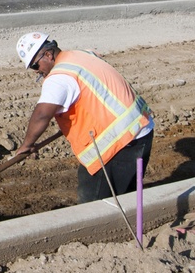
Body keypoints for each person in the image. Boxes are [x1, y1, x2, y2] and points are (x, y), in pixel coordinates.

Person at [14, 31, 154, 203]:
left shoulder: (59, 78)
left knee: (94, 203)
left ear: (48, 54)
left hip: (120, 143)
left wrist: (27, 145)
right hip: (141, 128)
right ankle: (129, 226)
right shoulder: (81, 55)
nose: (37, 72)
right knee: (126, 195)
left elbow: (42, 115)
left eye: (36, 66)